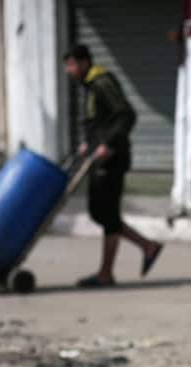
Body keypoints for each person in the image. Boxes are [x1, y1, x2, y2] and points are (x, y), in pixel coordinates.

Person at [62, 44, 163, 288]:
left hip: (112, 159)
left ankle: (107, 272)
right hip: (99, 159)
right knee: (100, 212)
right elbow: (101, 120)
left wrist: (107, 144)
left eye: (71, 64)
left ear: (84, 62)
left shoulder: (102, 83)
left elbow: (127, 115)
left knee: (106, 214)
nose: (68, 70)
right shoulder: (90, 86)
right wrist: (89, 143)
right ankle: (147, 247)